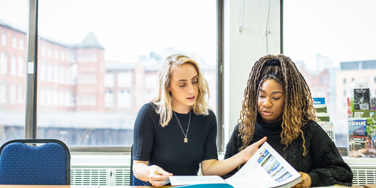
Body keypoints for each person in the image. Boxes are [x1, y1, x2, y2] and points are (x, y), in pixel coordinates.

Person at [132, 54, 267, 187]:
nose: (191, 90)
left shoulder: (207, 118)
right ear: (167, 86)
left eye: (195, 81)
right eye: (182, 84)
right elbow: (138, 167)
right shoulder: (149, 114)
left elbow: (208, 168)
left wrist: (243, 156)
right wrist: (150, 172)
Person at [223, 54, 353, 187]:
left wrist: (310, 179)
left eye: (276, 97)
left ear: (289, 99)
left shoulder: (309, 131)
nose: (266, 103)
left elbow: (343, 173)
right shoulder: (242, 131)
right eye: (261, 95)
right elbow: (225, 175)